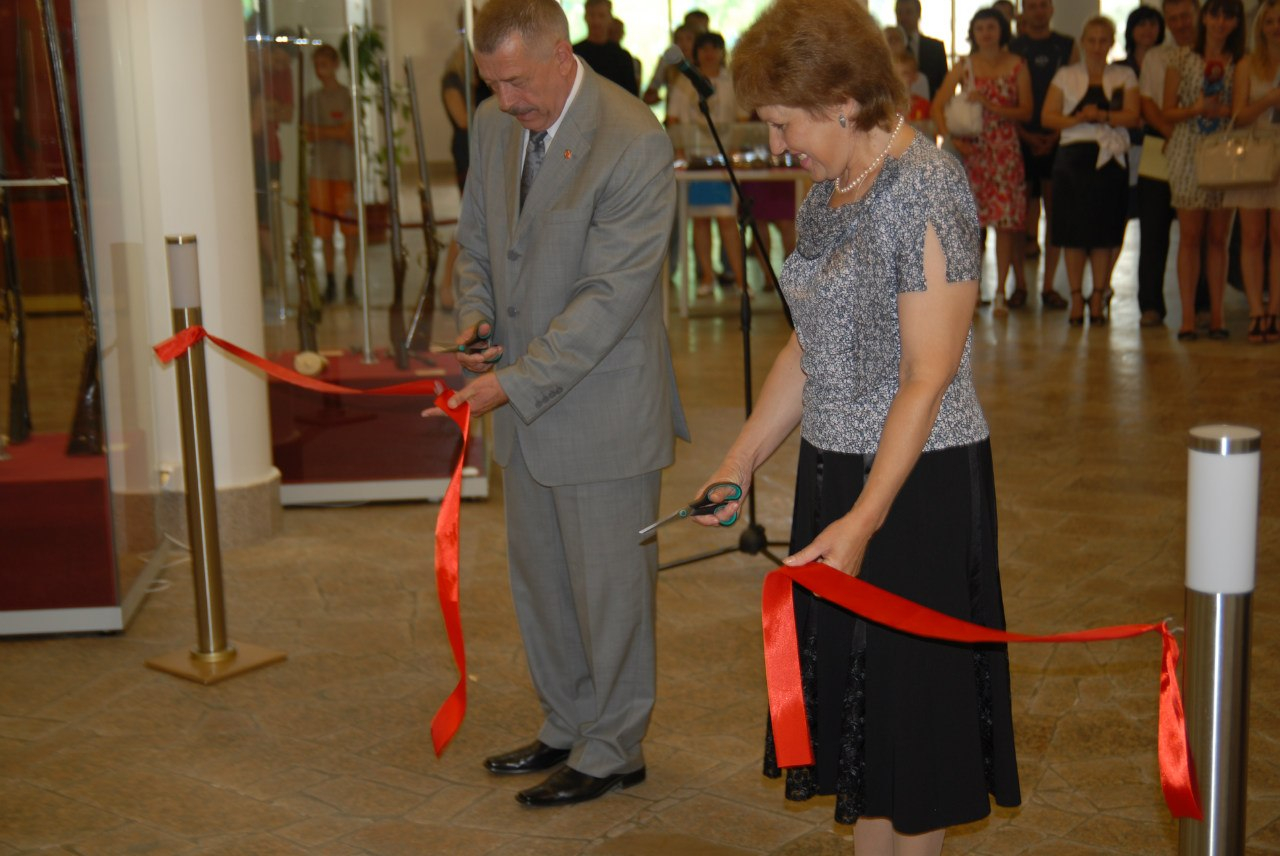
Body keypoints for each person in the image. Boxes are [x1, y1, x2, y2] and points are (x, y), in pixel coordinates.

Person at [695, 0, 1020, 851]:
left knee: (913, 737)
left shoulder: (928, 188)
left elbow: (926, 377)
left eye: (783, 123)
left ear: (841, 100)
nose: (777, 145)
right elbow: (809, 348)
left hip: (912, 489)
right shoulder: (829, 193)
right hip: (838, 476)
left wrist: (865, 519)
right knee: (865, 736)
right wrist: (739, 460)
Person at [445, 0, 687, 808]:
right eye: (493, 83)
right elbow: (477, 243)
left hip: (601, 408)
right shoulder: (493, 125)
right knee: (542, 583)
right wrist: (476, 316)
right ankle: (568, 722)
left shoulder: (634, 138)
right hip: (524, 409)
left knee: (611, 592)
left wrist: (513, 381)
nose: (505, 100)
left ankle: (615, 747)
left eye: (517, 81)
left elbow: (610, 298)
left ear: (561, 54)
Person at [1040, 17, 1140, 326]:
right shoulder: (1066, 75)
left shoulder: (1124, 75)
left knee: (1104, 232)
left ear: (1111, 43)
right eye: (1092, 40)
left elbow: (1133, 116)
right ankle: (1075, 298)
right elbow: (1048, 117)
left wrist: (1104, 115)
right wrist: (1079, 119)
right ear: (1083, 42)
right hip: (1073, 159)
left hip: (1110, 161)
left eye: (1103, 40)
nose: (1097, 47)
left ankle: (1097, 296)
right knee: (1072, 233)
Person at [933, 8, 1031, 315]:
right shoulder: (964, 65)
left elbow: (1026, 111)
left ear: (1002, 30)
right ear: (973, 33)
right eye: (980, 28)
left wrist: (990, 104)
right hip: (972, 152)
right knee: (971, 225)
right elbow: (938, 105)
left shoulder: (1017, 65)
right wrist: (952, 138)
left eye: (991, 27)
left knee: (1005, 224)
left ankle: (1001, 291)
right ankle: (972, 292)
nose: (986, 34)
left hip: (1004, 152)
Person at [1164, 0, 1244, 340]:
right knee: (1190, 236)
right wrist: (1196, 107)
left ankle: (1217, 316)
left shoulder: (1240, 62)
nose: (1220, 22)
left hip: (1226, 151)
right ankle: (1187, 318)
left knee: (1218, 238)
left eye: (1228, 16)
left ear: (1236, 23)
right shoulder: (1181, 57)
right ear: (1204, 17)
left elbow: (1242, 110)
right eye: (1215, 14)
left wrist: (1223, 110)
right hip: (1187, 150)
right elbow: (1168, 110)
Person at [668, 31, 748, 295]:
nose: (709, 53)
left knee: (727, 220)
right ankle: (706, 277)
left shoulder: (730, 81)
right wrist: (680, 152)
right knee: (700, 221)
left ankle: (741, 281)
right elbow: (674, 119)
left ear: (722, 52)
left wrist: (735, 151)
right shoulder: (684, 81)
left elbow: (742, 118)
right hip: (695, 160)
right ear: (697, 52)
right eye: (704, 48)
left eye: (715, 48)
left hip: (723, 161)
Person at [1010, 0, 1078, 310]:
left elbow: (1076, 94)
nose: (1038, 11)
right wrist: (1024, 134)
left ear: (1051, 9)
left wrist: (1056, 134)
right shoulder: (1013, 47)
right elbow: (1007, 96)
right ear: (1023, 11)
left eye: (1043, 5)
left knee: (1055, 213)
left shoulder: (1067, 45)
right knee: (1017, 217)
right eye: (1032, 6)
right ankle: (1020, 285)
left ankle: (1049, 285)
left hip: (1057, 138)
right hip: (1019, 138)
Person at [1137, 0, 1200, 329]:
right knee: (1153, 228)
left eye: (1185, 16)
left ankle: (1202, 304)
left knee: (1199, 231)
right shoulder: (1156, 56)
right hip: (1160, 147)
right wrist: (1173, 135)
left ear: (1197, 14)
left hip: (1202, 151)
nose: (1180, 23)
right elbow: (1147, 102)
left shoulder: (1211, 53)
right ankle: (1150, 304)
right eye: (1173, 18)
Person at [1226, 0, 1280, 343]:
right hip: (1255, 152)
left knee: (1279, 235)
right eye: (1270, 21)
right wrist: (1270, 99)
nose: (1276, 27)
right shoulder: (1247, 64)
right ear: (1260, 27)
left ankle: (1275, 309)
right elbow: (1238, 117)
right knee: (1252, 236)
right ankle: (1256, 311)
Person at [441, 12, 494, 311]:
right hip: (468, 151)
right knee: (468, 217)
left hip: (485, 147)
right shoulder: (454, 77)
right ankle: (446, 283)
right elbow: (463, 120)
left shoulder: (483, 72)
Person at [302, 44, 358, 305]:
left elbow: (347, 132)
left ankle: (350, 280)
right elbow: (307, 133)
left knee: (349, 231)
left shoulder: (347, 96)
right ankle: (330, 280)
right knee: (323, 232)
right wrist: (334, 132)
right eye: (316, 65)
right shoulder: (312, 99)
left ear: (335, 65)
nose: (320, 69)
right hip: (320, 173)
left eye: (324, 64)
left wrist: (322, 131)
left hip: (344, 171)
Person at [1119, 6, 1166, 222]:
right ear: (1131, 29)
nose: (1147, 29)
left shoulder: (1169, 64)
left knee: (1154, 213)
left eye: (1152, 24)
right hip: (1127, 144)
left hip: (1158, 142)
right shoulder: (1118, 68)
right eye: (1141, 24)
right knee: (1122, 209)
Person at [572, 0, 639, 96]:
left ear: (610, 19)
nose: (596, 21)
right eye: (592, 15)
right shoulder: (573, 54)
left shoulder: (622, 57)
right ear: (585, 17)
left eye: (601, 16)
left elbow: (631, 98)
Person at [895, 0, 948, 97]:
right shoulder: (888, 46)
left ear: (918, 14)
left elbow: (944, 84)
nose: (903, 17)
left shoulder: (936, 48)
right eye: (899, 12)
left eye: (908, 12)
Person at [642, 24, 696, 107]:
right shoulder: (668, 63)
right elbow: (649, 95)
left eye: (689, 39)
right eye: (679, 40)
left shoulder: (704, 66)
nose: (684, 44)